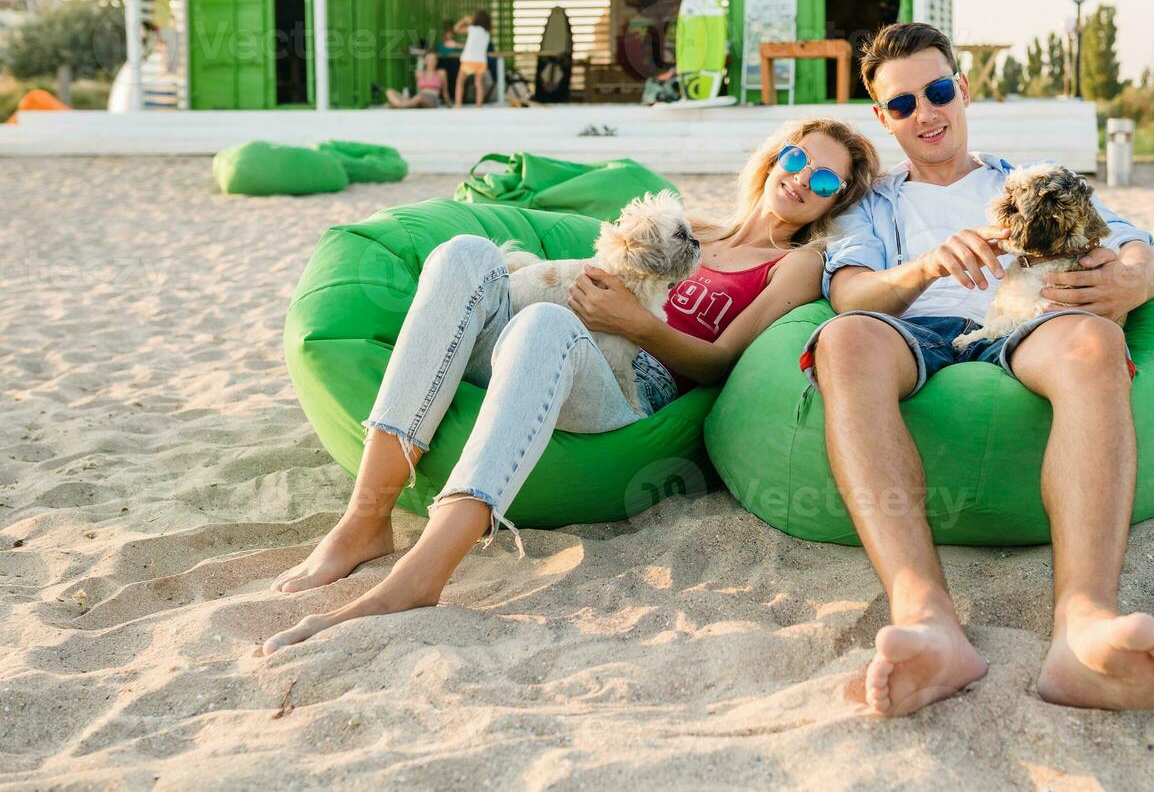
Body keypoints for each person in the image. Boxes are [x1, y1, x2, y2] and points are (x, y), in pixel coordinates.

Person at [263, 119, 881, 653]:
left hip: (629, 386)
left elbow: (722, 363)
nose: (802, 179)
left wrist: (633, 323)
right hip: (558, 337)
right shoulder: (688, 223)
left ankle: (426, 568)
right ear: (776, 157)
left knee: (545, 324)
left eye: (825, 181)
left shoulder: (799, 263)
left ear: (833, 203)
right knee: (462, 252)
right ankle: (365, 517)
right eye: (798, 159)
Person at [805, 22, 1154, 717]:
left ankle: (1083, 625)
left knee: (1096, 343)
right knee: (843, 342)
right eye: (903, 104)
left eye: (938, 90)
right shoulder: (873, 203)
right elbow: (849, 295)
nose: (927, 112)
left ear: (965, 89)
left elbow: (1136, 246)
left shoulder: (1024, 180)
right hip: (915, 327)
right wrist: (924, 266)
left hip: (1024, 320)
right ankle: (927, 619)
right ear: (883, 118)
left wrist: (1134, 280)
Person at [454, 10, 493, 107]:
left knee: (460, 81)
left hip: (468, 60)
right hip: (481, 61)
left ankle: (458, 105)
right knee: (478, 84)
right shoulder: (487, 33)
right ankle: (478, 106)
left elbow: (456, 29)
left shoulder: (472, 29)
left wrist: (464, 20)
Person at [435, 19, 462, 85]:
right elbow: (439, 54)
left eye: (450, 33)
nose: (448, 35)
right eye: (446, 33)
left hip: (454, 66)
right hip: (444, 66)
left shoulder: (456, 45)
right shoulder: (439, 44)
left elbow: (461, 54)